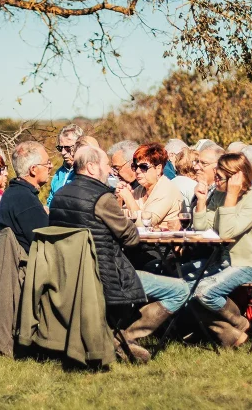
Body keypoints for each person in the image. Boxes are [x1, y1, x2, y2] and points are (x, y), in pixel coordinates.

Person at [49, 146, 189, 362]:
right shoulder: (101, 197)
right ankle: (121, 337)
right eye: (107, 165)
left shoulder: (58, 196)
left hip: (71, 276)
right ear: (92, 167)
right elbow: (131, 238)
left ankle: (117, 335)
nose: (110, 171)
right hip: (106, 277)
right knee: (180, 289)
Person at [192, 153, 252, 347]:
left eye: (219, 177)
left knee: (203, 293)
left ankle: (240, 323)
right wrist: (201, 200)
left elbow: (227, 232)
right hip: (224, 263)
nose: (215, 180)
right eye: (216, 175)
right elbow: (202, 226)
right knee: (183, 285)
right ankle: (230, 334)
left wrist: (232, 195)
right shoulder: (218, 194)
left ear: (236, 177)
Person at [0, 141, 51, 254]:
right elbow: (47, 245)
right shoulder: (26, 201)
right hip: (26, 267)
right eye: (47, 163)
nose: (51, 166)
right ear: (33, 169)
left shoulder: (11, 192)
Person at [117, 143, 183, 229]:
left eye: (143, 167)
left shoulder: (167, 190)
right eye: (135, 166)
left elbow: (145, 224)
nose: (137, 171)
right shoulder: (139, 190)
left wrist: (128, 197)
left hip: (164, 241)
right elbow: (120, 218)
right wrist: (119, 197)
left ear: (158, 169)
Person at [46, 123, 83, 206]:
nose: (63, 153)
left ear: (79, 146)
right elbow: (50, 202)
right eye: (60, 148)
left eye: (68, 148)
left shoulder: (87, 173)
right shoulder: (59, 173)